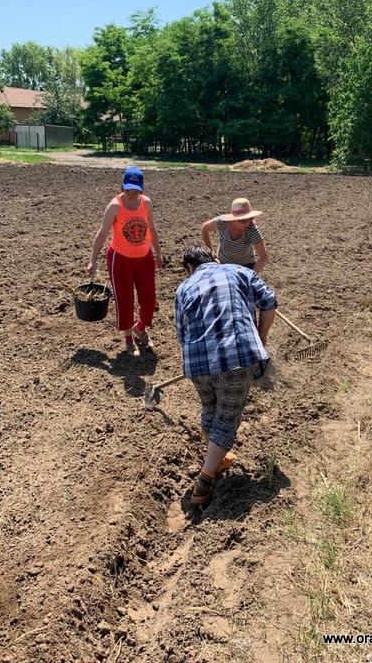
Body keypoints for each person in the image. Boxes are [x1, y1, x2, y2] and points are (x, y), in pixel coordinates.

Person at [175, 246, 277, 506]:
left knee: (210, 410)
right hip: (236, 357)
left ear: (189, 268)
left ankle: (218, 459)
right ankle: (205, 479)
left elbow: (181, 333)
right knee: (227, 418)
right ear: (214, 259)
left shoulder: (183, 288)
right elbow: (269, 301)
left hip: (196, 363)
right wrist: (261, 338)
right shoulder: (239, 272)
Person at [86, 167, 163, 356]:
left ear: (141, 190)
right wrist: (93, 260)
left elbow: (151, 229)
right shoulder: (115, 206)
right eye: (128, 189)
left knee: (149, 300)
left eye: (135, 190)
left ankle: (140, 328)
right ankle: (129, 339)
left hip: (144, 257)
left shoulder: (146, 203)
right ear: (122, 187)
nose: (131, 193)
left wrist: (158, 253)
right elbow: (102, 233)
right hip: (120, 259)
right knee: (125, 300)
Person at [201, 197, 268, 273]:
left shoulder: (252, 229)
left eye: (249, 219)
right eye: (242, 220)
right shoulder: (222, 222)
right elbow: (204, 229)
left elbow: (264, 257)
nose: (247, 223)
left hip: (245, 266)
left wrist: (250, 275)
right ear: (233, 219)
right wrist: (211, 253)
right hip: (223, 264)